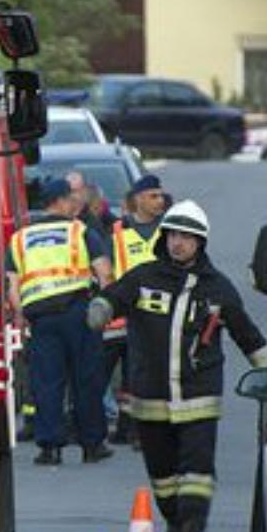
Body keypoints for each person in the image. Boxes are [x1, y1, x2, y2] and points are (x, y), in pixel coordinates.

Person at [87, 200, 267, 532]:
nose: (178, 242)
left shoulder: (218, 288)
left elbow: (247, 335)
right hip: (151, 395)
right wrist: (101, 309)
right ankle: (174, 520)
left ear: (200, 243)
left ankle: (194, 523)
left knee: (197, 467)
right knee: (162, 473)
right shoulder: (144, 276)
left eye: (187, 237)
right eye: (172, 235)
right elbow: (115, 297)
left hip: (199, 394)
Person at [8, 177, 114, 466]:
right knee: (86, 379)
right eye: (71, 199)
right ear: (59, 201)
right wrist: (106, 309)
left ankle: (49, 448)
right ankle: (92, 445)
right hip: (78, 314)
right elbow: (104, 273)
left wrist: (21, 318)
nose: (75, 203)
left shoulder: (20, 238)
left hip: (41, 320)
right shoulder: (80, 232)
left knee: (47, 382)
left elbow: (12, 287)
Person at [100, 174, 172, 447]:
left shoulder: (169, 230)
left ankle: (144, 429)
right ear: (139, 199)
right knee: (128, 374)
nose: (160, 200)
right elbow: (107, 272)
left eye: (161, 195)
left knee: (150, 374)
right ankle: (127, 427)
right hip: (126, 312)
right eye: (153, 196)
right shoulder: (118, 231)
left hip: (159, 312)